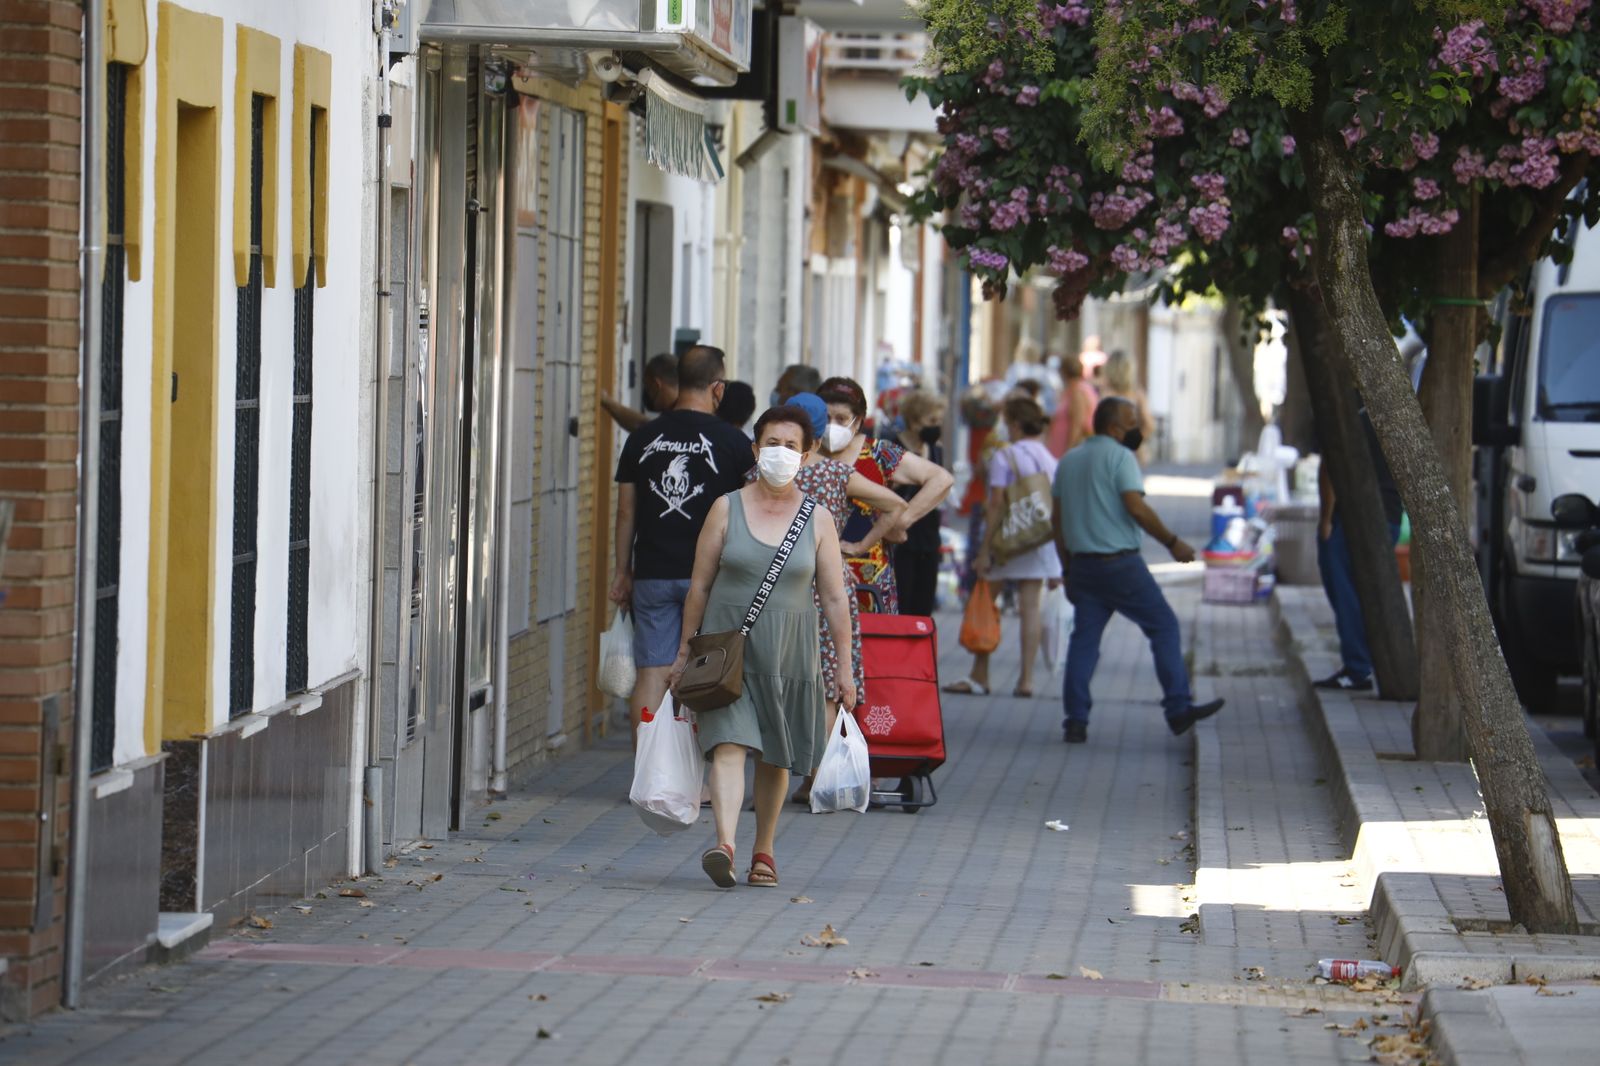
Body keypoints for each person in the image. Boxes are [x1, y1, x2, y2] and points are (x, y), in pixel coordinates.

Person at [668, 405, 855, 889]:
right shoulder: (726, 507)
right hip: (728, 652)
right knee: (727, 743)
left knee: (776, 754)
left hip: (790, 655)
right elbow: (700, 588)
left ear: (807, 455)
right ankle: (725, 843)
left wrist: (846, 668)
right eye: (771, 444)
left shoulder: (818, 520)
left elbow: (835, 597)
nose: (780, 454)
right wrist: (685, 654)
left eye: (791, 447)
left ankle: (764, 850)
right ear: (755, 450)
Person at [1051, 397, 1225, 743]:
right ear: (1114, 427)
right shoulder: (1120, 457)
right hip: (1121, 565)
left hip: (1083, 566)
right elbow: (1137, 508)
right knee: (1163, 626)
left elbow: (1057, 522)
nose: (1138, 430)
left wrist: (1068, 569)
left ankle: (1075, 719)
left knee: (1084, 641)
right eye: (1132, 423)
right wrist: (1172, 542)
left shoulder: (1068, 461)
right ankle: (1177, 707)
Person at [611, 346, 754, 738]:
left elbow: (626, 512)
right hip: (712, 578)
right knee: (702, 673)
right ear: (717, 388)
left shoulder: (642, 438)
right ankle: (694, 782)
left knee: (653, 671)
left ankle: (648, 772)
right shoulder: (735, 443)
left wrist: (622, 571)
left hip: (653, 574)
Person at [783, 392, 907, 806]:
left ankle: (800, 776)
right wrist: (856, 545)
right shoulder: (837, 474)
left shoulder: (760, 473)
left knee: (783, 681)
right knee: (831, 684)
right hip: (829, 587)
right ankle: (822, 776)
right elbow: (894, 504)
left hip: (778, 588)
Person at [944, 397, 1062, 698]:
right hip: (1037, 539)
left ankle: (980, 672)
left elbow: (995, 504)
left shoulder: (1004, 456)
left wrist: (984, 549)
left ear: (1016, 424)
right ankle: (1026, 680)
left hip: (1006, 541)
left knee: (986, 600)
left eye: (1007, 422)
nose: (1004, 428)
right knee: (1030, 607)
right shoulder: (1051, 459)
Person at [817, 376, 955, 614]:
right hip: (814, 577)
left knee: (875, 647)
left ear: (858, 421)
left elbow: (941, 479)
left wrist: (902, 520)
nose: (832, 426)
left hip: (869, 580)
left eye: (841, 419)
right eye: (826, 418)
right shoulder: (805, 451)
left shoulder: (878, 453)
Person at [1314, 408, 1403, 692]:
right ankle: (1363, 663)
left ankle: (1357, 667)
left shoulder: (1351, 420)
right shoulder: (1398, 423)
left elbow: (1330, 467)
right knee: (1366, 593)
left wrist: (1326, 519)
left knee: (1345, 592)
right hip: (1388, 517)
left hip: (1352, 520)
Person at [892, 389, 948, 617]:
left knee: (924, 605)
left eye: (939, 421)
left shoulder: (936, 449)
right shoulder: (893, 448)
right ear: (914, 421)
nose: (936, 426)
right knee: (902, 600)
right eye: (931, 421)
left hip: (928, 534)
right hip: (900, 535)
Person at [602, 352, 679, 434]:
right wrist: (606, 401)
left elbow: (642, 426)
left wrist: (605, 400)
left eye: (648, 387)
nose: (647, 394)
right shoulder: (680, 411)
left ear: (656, 385)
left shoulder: (679, 417)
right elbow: (643, 425)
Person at [1101, 350, 1154, 464]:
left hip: (1107, 451)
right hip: (1129, 453)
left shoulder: (1105, 395)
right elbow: (1149, 425)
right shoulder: (1136, 393)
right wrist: (1133, 442)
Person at [1046, 350, 1099, 458]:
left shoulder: (1077, 392)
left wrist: (1068, 454)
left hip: (1067, 452)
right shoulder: (1074, 390)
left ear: (1064, 372)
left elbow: (1077, 425)